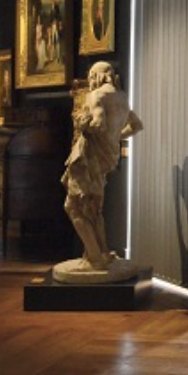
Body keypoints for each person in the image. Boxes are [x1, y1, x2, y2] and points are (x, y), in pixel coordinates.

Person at [62, 61, 143, 271]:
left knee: (73, 207)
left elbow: (98, 125)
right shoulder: (122, 98)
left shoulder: (96, 96)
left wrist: (81, 123)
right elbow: (137, 125)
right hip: (108, 157)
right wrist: (115, 137)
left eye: (91, 76)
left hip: (88, 158)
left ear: (98, 75)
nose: (90, 81)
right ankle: (101, 253)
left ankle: (95, 258)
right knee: (93, 208)